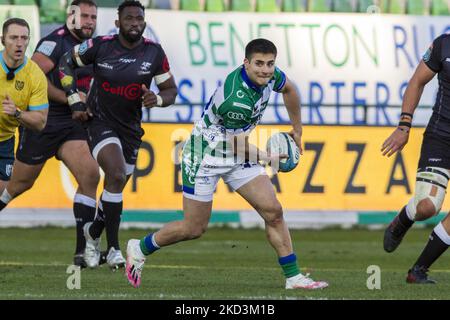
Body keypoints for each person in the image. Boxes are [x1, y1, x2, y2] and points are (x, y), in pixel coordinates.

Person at [125, 38, 329, 290]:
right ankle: (140, 247)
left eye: (270, 64)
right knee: (194, 227)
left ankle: (294, 277)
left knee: (273, 212)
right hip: (205, 156)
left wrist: (297, 130)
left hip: (235, 150)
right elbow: (239, 147)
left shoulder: (272, 76)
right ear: (246, 63)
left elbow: (291, 91)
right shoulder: (236, 99)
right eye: (259, 64)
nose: (265, 69)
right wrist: (269, 159)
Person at [58, 0, 178, 269]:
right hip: (98, 121)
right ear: (117, 23)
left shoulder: (154, 53)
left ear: (144, 23)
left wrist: (157, 100)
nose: (134, 23)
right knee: (114, 174)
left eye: (138, 19)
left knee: (116, 186)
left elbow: (170, 90)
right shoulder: (100, 45)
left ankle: (93, 232)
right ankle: (113, 248)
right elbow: (65, 63)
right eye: (129, 18)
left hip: (131, 129)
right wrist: (74, 99)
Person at [0, 0, 100, 269]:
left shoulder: (94, 46)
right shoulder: (54, 42)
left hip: (73, 124)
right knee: (17, 185)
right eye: (85, 16)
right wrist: (69, 97)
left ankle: (82, 253)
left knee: (90, 174)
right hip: (44, 122)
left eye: (93, 16)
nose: (90, 21)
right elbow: (34, 75)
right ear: (71, 17)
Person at [382, 34, 450, 284]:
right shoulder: (443, 44)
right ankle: (404, 218)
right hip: (441, 136)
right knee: (428, 206)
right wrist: (404, 126)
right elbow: (416, 81)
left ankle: (418, 271)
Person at [0, 18, 48, 197]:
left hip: (4, 141)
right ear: (2, 40)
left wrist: (17, 113)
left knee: (3, 193)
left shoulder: (34, 75)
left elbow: (40, 121)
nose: (19, 43)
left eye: (24, 38)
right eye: (13, 38)